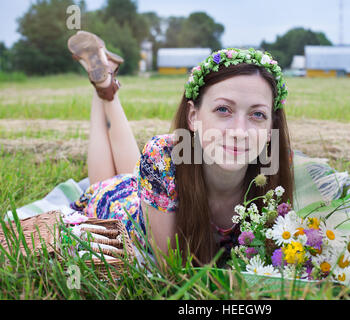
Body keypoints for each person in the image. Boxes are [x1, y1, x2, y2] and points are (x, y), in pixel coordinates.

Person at [67, 31, 295, 266]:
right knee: (108, 181)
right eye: (223, 110)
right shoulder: (162, 155)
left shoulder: (275, 162)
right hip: (119, 205)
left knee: (140, 171)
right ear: (193, 116)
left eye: (257, 114)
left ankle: (104, 80)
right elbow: (172, 272)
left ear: (270, 128)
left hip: (151, 190)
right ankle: (102, 84)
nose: (239, 131)